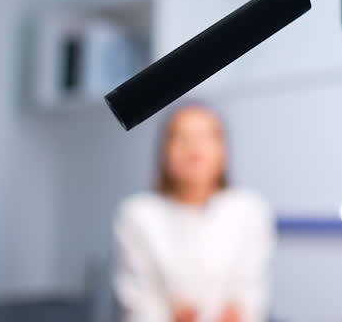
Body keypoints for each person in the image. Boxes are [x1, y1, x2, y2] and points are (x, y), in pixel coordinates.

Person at [113, 103, 275, 322]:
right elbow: (137, 298)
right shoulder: (138, 214)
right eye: (181, 137)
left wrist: (238, 312)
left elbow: (251, 291)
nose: (194, 146)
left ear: (223, 149)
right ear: (164, 151)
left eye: (206, 136)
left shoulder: (250, 210)